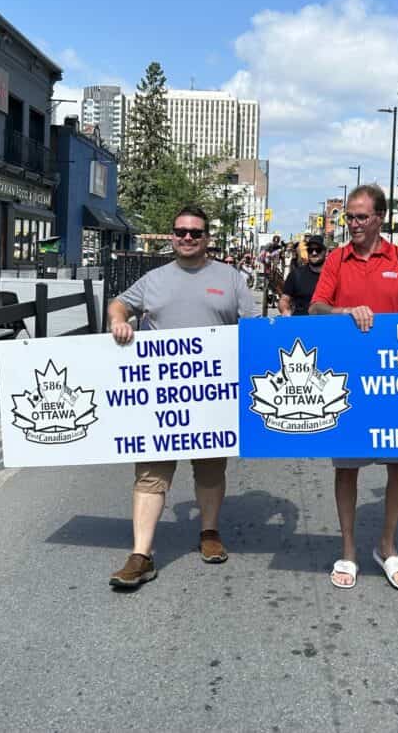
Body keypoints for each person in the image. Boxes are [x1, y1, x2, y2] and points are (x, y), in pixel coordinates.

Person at [105, 206, 257, 589]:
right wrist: (118, 320)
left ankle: (209, 532)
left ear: (207, 238)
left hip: (212, 394)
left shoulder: (231, 278)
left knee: (210, 469)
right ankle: (141, 555)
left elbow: (253, 328)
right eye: (181, 232)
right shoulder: (153, 279)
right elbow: (120, 303)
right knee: (151, 472)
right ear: (172, 235)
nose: (187, 238)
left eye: (195, 233)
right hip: (160, 398)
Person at [310, 184, 398, 591]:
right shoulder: (336, 259)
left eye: (362, 216)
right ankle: (348, 551)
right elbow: (317, 306)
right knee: (346, 470)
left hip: (392, 382)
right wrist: (345, 311)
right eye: (350, 216)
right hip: (347, 379)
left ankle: (387, 544)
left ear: (381, 218)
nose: (354, 224)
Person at [279, 234, 326, 316]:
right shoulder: (296, 274)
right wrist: (285, 310)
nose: (314, 253)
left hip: (327, 324)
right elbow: (284, 299)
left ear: (324, 251)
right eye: (310, 250)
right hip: (300, 323)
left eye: (318, 250)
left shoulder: (333, 275)